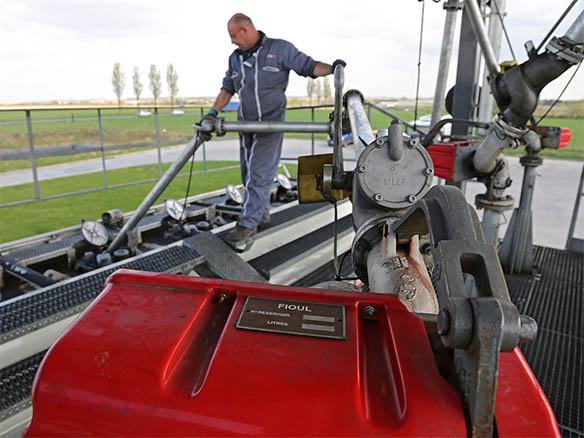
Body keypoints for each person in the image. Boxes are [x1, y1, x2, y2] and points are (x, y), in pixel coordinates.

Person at [204, 13, 345, 244]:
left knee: (259, 173)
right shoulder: (235, 59)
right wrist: (212, 113)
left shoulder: (280, 49)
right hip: (245, 124)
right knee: (248, 173)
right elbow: (227, 88)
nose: (232, 42)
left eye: (233, 36)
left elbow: (308, 66)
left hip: (271, 123)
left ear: (246, 30)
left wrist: (333, 68)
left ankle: (248, 224)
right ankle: (262, 215)